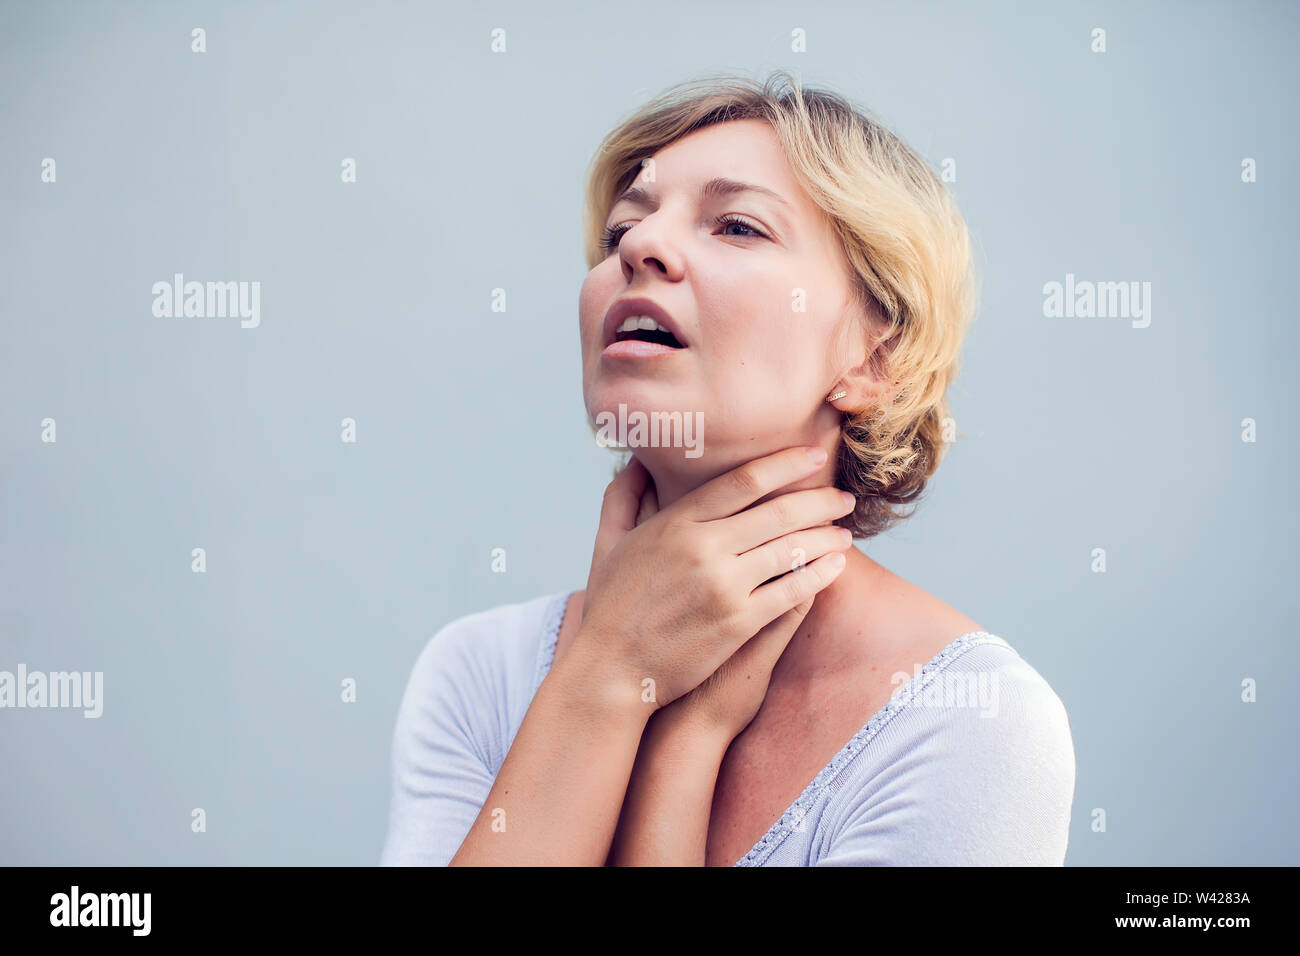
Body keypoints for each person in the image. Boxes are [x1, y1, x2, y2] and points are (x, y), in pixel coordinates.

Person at [380, 71, 1076, 866]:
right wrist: (607, 675)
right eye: (620, 233)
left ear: (874, 356)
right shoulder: (476, 674)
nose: (639, 248)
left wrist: (683, 742)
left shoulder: (972, 720)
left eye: (737, 226)